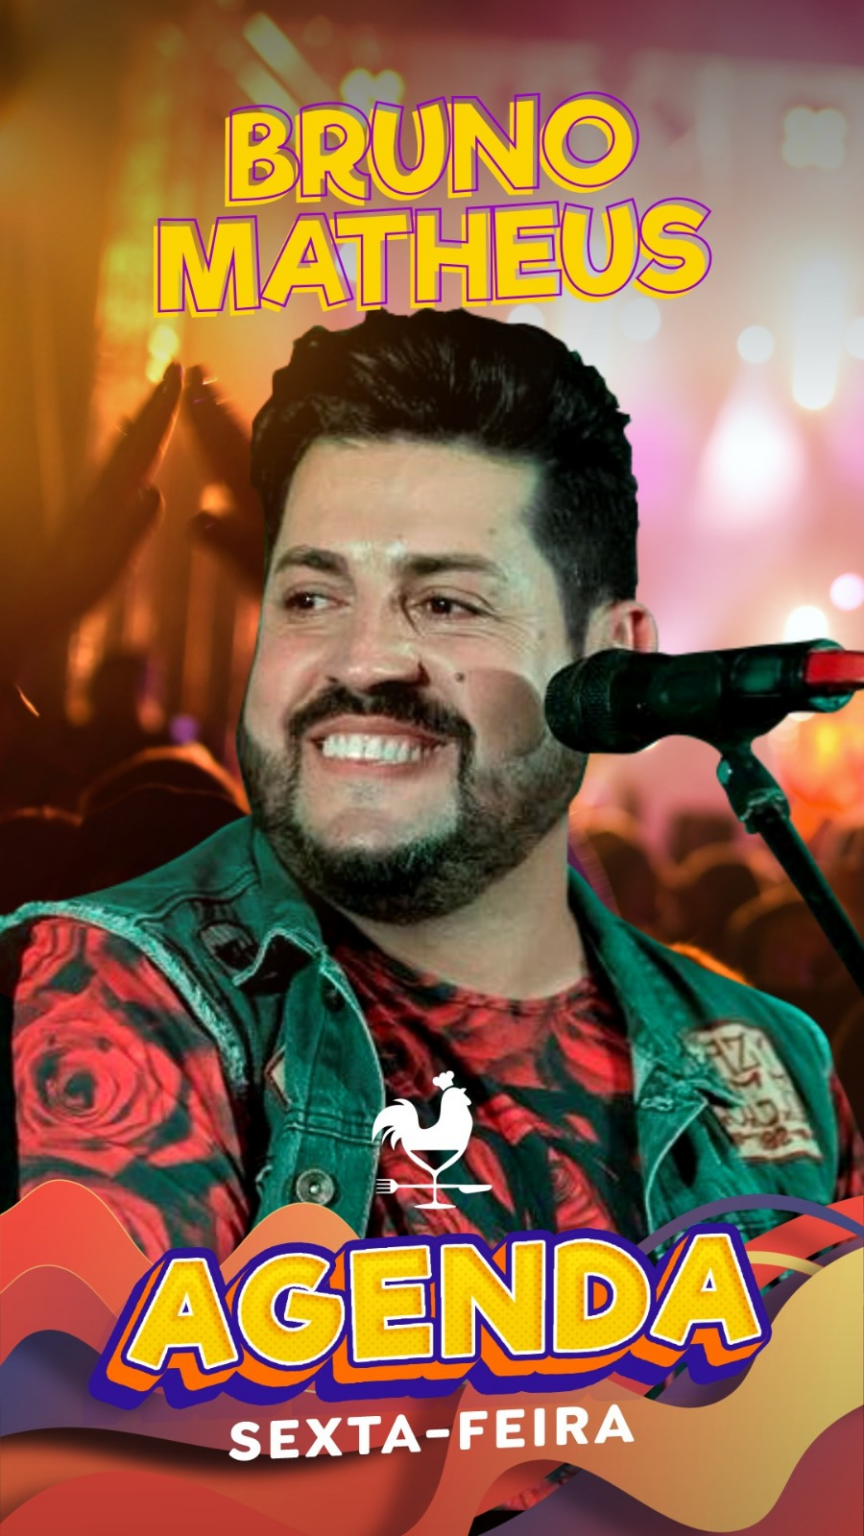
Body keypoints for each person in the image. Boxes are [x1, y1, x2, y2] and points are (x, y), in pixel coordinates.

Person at [2, 309, 861, 1262]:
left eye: (448, 602)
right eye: (311, 597)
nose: (362, 659)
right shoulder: (126, 988)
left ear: (612, 657)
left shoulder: (776, 1065)